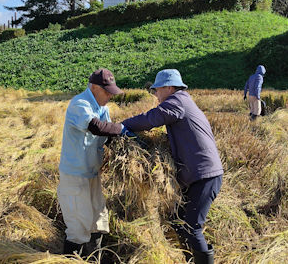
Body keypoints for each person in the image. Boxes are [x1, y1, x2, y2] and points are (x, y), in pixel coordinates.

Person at [120, 69, 224, 264]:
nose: (156, 95)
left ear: (169, 87)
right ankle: (190, 260)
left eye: (157, 90)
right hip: (198, 174)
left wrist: (120, 126)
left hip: (205, 176)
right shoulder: (184, 101)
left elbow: (151, 119)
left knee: (190, 226)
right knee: (177, 220)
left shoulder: (177, 102)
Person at [57, 68, 124, 257]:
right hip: (75, 176)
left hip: (92, 174)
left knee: (98, 220)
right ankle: (70, 260)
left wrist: (130, 142)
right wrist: (123, 128)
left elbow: (108, 134)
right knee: (79, 227)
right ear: (94, 87)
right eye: (107, 91)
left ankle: (94, 259)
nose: (110, 96)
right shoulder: (80, 103)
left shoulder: (103, 107)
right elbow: (96, 127)